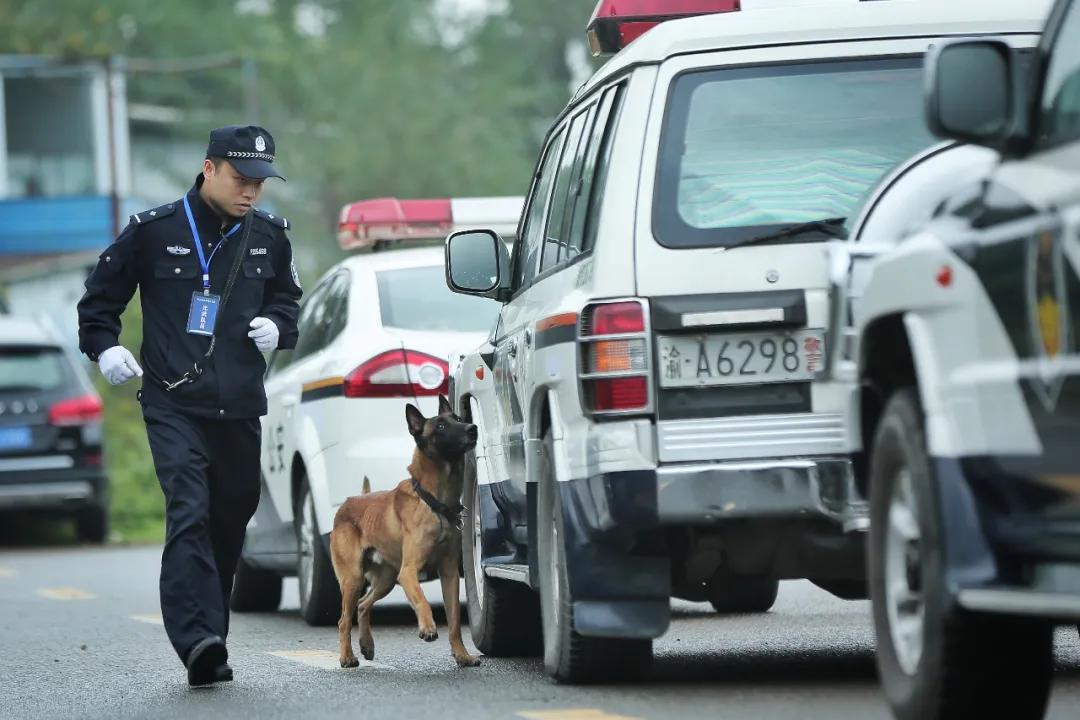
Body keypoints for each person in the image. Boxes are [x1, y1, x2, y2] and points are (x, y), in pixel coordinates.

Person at [76, 125, 302, 686]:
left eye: (260, 182)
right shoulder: (153, 231)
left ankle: (210, 630)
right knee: (190, 509)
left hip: (240, 406)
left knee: (231, 515)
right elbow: (98, 303)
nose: (251, 191)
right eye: (240, 178)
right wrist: (105, 349)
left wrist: (278, 325)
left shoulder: (270, 236)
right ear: (209, 168)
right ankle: (197, 640)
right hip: (173, 402)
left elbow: (287, 300)